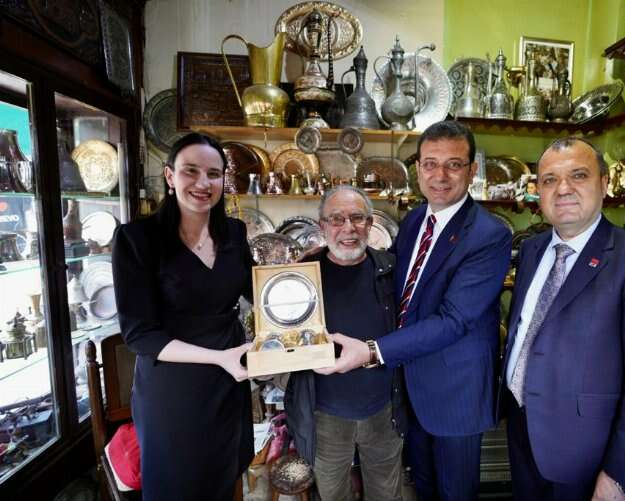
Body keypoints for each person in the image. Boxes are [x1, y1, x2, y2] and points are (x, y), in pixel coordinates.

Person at [317, 121, 512, 500]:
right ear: (418, 169)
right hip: (409, 390)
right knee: (423, 487)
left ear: (472, 170)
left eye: (454, 165)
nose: (440, 176)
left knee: (454, 493)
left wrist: (371, 351)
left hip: (455, 394)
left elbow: (455, 319)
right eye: (430, 164)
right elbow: (392, 278)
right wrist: (326, 260)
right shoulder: (414, 221)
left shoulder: (489, 235)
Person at [499, 137, 625, 501]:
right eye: (549, 180)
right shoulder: (532, 249)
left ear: (604, 183)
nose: (563, 189)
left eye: (578, 175)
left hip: (588, 453)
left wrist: (622, 478)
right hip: (522, 431)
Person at [112, 132, 254, 501]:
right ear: (170, 176)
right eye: (191, 171)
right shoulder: (138, 239)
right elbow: (139, 334)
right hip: (173, 387)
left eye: (214, 173)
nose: (203, 183)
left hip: (229, 377)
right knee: (177, 484)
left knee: (224, 476)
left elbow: (258, 290)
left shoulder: (234, 232)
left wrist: (303, 276)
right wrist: (219, 358)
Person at [285, 185, 407, 501]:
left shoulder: (392, 270)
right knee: (332, 494)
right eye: (337, 219)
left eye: (357, 218)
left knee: (386, 494)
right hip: (324, 416)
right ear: (322, 226)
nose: (348, 228)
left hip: (384, 410)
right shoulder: (301, 276)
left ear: (370, 224)